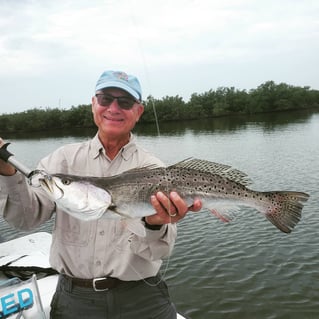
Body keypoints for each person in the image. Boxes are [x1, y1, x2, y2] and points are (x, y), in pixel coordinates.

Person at [0, 70, 202, 319]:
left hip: (142, 301)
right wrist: (7, 173)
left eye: (125, 102)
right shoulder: (61, 160)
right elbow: (24, 219)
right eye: (105, 99)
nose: (113, 108)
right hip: (75, 300)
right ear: (94, 104)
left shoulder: (156, 170)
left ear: (138, 111)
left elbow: (159, 252)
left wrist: (153, 225)